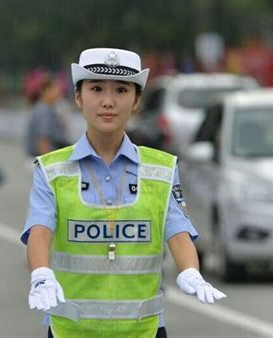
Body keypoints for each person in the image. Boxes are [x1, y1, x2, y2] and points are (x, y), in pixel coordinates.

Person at [22, 48, 226, 338]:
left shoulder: (162, 168)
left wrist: (190, 270)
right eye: (95, 89)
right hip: (72, 331)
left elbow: (178, 233)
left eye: (121, 90)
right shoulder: (51, 169)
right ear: (78, 97)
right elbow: (40, 231)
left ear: (136, 101)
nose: (108, 101)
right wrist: (41, 274)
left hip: (143, 331)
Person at [25, 75, 71, 157]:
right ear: (46, 91)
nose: (59, 93)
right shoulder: (44, 111)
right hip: (43, 161)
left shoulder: (46, 108)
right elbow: (43, 141)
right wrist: (49, 166)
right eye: (56, 89)